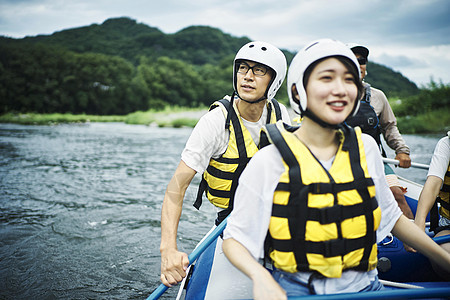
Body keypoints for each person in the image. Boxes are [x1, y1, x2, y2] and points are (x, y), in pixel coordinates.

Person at [222, 39, 450, 299]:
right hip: (299, 290)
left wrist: (442, 258)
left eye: (349, 80)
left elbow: (391, 217)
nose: (341, 89)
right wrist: (260, 276)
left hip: (367, 288)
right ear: (298, 91)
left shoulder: (365, 147)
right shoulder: (268, 160)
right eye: (327, 78)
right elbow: (234, 240)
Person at [159, 41, 291, 288]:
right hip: (233, 226)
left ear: (275, 81)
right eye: (242, 68)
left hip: (278, 222)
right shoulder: (215, 122)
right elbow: (176, 189)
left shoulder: (282, 115)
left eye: (259, 70)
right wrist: (168, 250)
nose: (248, 77)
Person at [345, 43, 414, 219]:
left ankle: (415, 243)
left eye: (362, 61)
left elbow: (389, 127)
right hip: (342, 159)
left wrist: (402, 151)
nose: (359, 64)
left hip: (376, 159)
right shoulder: (332, 96)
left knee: (397, 196)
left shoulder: (377, 96)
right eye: (353, 60)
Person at [414, 131, 450, 279]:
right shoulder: (446, 144)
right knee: (442, 256)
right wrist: (419, 222)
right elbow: (433, 185)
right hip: (448, 225)